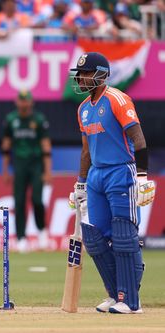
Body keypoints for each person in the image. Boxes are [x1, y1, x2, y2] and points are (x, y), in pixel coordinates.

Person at [68, 52, 155, 314]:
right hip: (96, 176)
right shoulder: (83, 109)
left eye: (86, 73)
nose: (81, 78)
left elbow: (138, 139)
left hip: (121, 172)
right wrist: (81, 184)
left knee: (123, 237)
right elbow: (86, 151)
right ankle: (114, 293)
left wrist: (141, 176)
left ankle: (130, 300)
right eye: (80, 73)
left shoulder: (117, 99)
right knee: (94, 238)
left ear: (101, 74)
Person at [1, 90, 52, 253]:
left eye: (26, 101)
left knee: (37, 199)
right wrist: (5, 171)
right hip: (20, 164)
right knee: (19, 201)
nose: (23, 104)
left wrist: (48, 171)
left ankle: (42, 232)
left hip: (36, 164)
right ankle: (21, 238)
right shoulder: (11, 120)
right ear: (17, 102)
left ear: (31, 102)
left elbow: (46, 146)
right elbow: (6, 146)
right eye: (21, 101)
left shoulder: (38, 120)